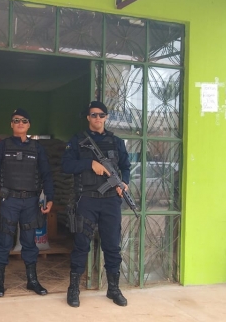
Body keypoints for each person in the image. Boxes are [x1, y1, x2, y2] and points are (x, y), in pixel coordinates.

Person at [62, 100, 131, 308]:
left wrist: (124, 183)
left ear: (106, 117)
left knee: (112, 246)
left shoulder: (116, 142)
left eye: (101, 115)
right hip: (87, 200)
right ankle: (73, 288)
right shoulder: (77, 140)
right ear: (88, 118)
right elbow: (65, 165)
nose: (98, 118)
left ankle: (113, 288)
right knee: (82, 244)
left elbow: (126, 166)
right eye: (93, 115)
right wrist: (89, 164)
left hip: (111, 201)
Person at [0, 108, 54, 297]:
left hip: (31, 202)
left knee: (29, 242)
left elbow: (46, 174)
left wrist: (50, 197)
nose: (20, 123)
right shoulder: (3, 146)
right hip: (9, 201)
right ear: (11, 124)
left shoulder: (37, 148)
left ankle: (32, 281)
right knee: (4, 241)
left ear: (29, 124)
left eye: (24, 120)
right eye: (16, 120)